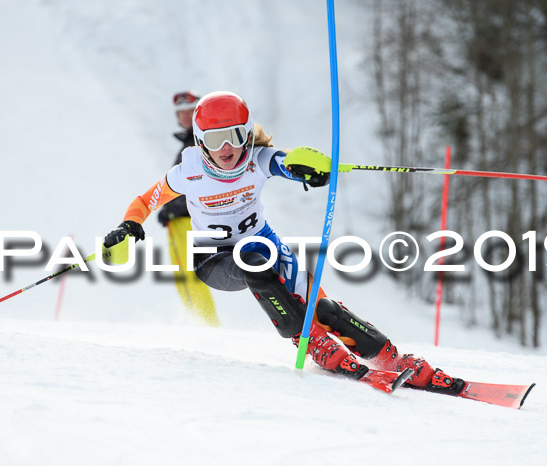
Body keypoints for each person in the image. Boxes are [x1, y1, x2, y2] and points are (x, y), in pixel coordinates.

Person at [103, 91, 463, 394]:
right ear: (199, 141)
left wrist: (312, 168)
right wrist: (129, 225)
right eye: (214, 140)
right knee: (255, 257)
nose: (225, 148)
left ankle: (388, 356)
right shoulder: (189, 171)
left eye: (233, 135)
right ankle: (313, 344)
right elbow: (144, 200)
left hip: (266, 246)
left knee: (323, 307)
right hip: (214, 260)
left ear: (246, 133)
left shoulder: (256, 159)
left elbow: (288, 162)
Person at [157, 90, 201, 226]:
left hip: (195, 221)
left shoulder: (200, 143)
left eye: (190, 111)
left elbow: (197, 182)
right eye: (182, 112)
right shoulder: (190, 141)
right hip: (189, 220)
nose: (186, 116)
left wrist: (172, 209)